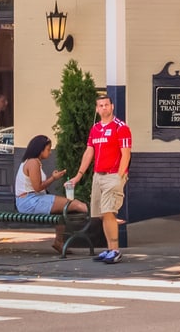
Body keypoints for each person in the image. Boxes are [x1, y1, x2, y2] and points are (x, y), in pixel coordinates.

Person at [69, 91, 132, 264]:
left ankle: (115, 250)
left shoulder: (121, 127)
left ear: (112, 106)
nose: (104, 108)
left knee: (108, 212)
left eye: (107, 105)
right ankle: (110, 249)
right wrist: (79, 175)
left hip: (113, 175)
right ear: (97, 109)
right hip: (99, 175)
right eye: (101, 105)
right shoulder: (95, 129)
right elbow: (89, 152)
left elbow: (125, 154)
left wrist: (120, 176)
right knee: (102, 215)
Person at [17, 135, 89, 252]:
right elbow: (37, 187)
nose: (50, 152)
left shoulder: (31, 161)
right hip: (30, 200)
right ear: (40, 150)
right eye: (48, 149)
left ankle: (59, 242)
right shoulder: (33, 162)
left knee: (63, 209)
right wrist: (53, 178)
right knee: (75, 204)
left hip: (31, 199)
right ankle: (100, 216)